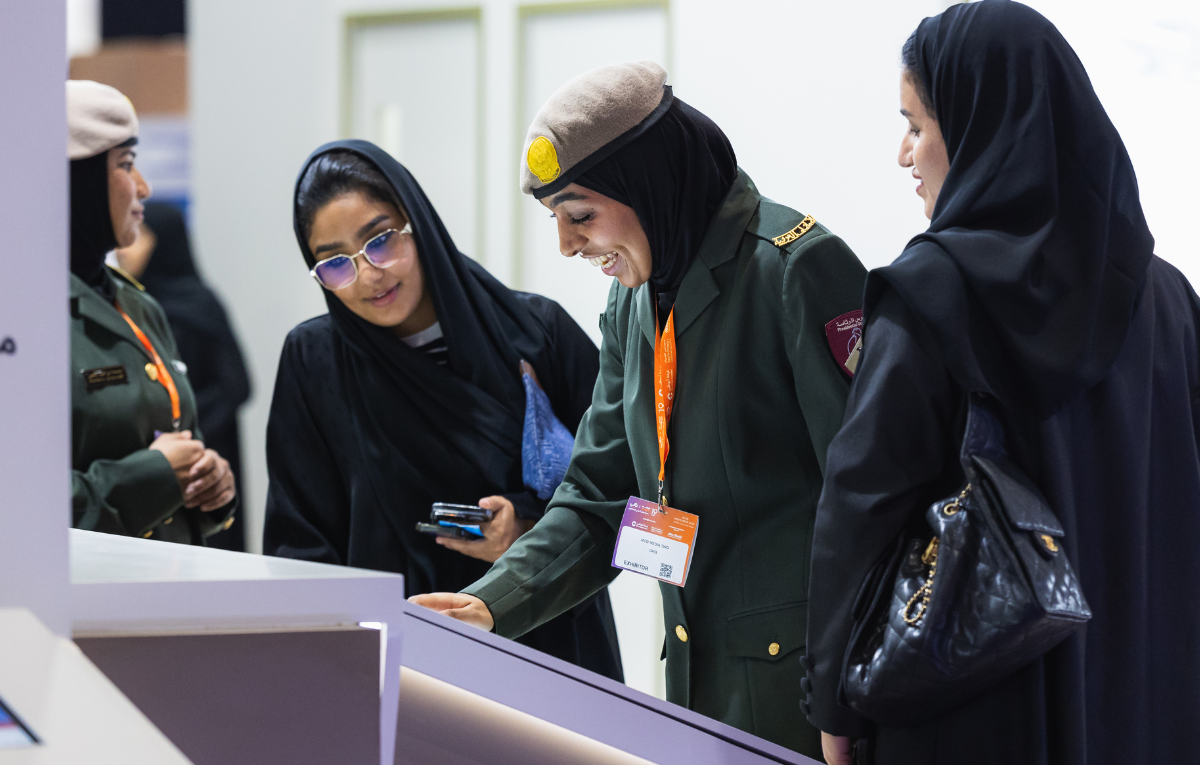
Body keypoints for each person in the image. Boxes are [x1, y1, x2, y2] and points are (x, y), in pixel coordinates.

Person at [412, 62, 868, 757]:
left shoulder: (793, 268)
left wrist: (846, 699)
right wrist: (490, 602)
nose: (567, 244)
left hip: (813, 702)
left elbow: (872, 505)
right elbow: (599, 497)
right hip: (697, 687)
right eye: (555, 221)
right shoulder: (635, 298)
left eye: (579, 215)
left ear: (649, 181)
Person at [802, 2, 1200, 763]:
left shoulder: (929, 294)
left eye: (915, 125)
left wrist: (833, 705)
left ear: (983, 127)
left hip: (971, 705)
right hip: (1145, 702)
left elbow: (859, 511)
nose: (903, 154)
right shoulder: (1169, 300)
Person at [262, 140, 623, 680]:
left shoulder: (536, 332)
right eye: (335, 263)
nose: (368, 275)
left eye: (381, 241)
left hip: (544, 642)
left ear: (418, 225)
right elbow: (300, 545)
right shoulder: (314, 360)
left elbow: (619, 494)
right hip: (393, 659)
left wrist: (525, 525)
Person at [69, 80, 237, 543]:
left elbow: (181, 444)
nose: (143, 188)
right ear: (77, 182)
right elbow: (8, 502)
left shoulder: (138, 304)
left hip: (167, 578)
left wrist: (210, 486)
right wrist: (157, 476)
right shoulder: (16, 319)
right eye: (125, 165)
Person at [115, 201, 252, 551]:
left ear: (165, 242)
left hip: (207, 455)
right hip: (154, 462)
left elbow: (237, 385)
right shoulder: (127, 308)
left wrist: (184, 428)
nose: (124, 249)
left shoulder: (200, 304)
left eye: (139, 237)